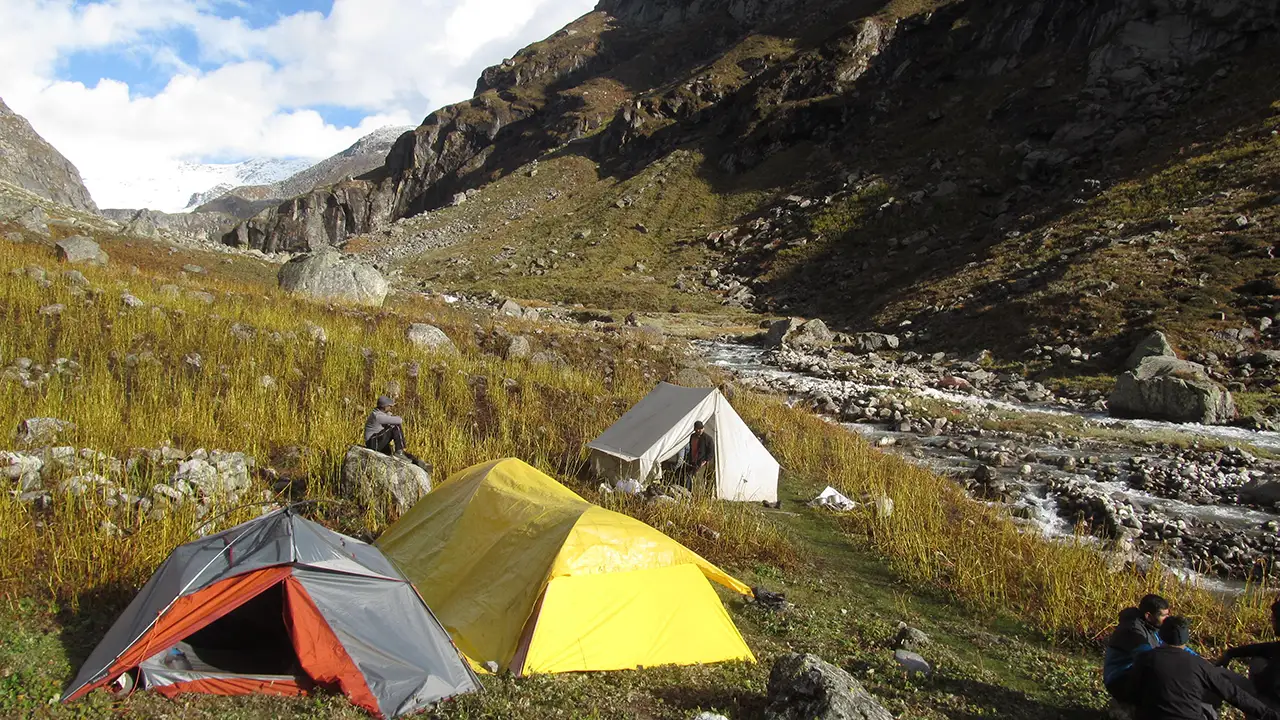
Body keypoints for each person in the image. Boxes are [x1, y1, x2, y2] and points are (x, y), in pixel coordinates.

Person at [1130, 616, 1280, 720]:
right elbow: (1234, 694)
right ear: (1186, 639)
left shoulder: (1144, 658)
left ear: (1161, 636)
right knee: (1208, 710)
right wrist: (1269, 715)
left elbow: (1133, 690)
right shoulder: (1198, 664)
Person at [1105, 594, 1171, 705]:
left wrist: (1196, 660)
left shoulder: (1154, 627)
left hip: (1136, 673)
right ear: (1148, 616)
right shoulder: (1132, 631)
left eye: (1168, 614)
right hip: (1119, 679)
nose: (1167, 619)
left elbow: (1173, 645)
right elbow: (1147, 657)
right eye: (1163, 616)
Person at [1216, 599, 1280, 710]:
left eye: (1274, 619)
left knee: (1218, 675)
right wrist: (1231, 653)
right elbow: (1264, 648)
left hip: (1270, 710)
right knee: (1258, 660)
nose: (1272, 622)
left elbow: (1265, 684)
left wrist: (1256, 677)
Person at [676, 420, 714, 490]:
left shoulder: (708, 439)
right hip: (692, 461)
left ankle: (696, 493)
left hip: (701, 462)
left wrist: (705, 461)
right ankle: (688, 491)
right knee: (688, 476)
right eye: (697, 429)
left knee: (698, 478)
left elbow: (711, 452)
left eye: (700, 429)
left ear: (703, 428)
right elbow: (691, 448)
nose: (699, 430)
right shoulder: (692, 436)